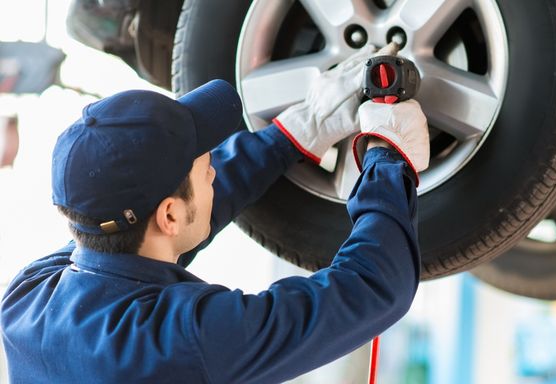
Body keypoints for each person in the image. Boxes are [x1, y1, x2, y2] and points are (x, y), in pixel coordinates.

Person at [0, 44, 429, 383]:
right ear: (168, 215)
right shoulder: (180, 342)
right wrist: (387, 158)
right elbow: (373, 289)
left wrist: (294, 133)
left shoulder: (29, 298)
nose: (214, 174)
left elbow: (150, 240)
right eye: (206, 168)